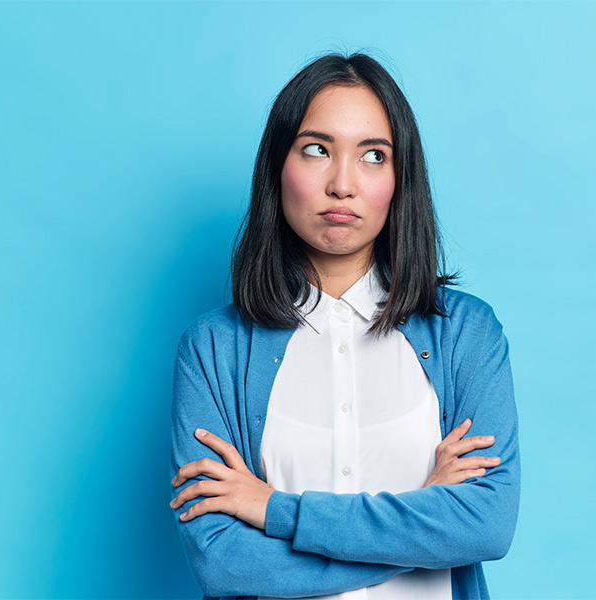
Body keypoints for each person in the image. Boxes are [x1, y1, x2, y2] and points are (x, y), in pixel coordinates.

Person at [169, 52, 520, 600]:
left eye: (373, 156)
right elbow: (226, 565)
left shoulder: (465, 334)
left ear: (400, 178)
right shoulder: (213, 350)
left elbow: (486, 525)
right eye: (317, 150)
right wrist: (423, 526)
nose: (342, 184)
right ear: (276, 168)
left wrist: (273, 509)